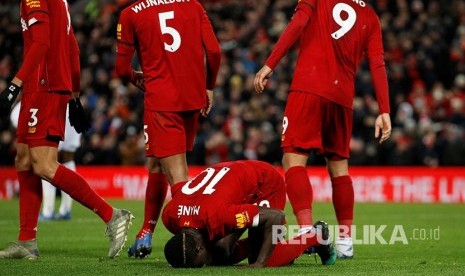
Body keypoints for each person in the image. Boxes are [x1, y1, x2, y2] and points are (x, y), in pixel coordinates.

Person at [254, 0, 392, 259]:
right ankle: (345, 241)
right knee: (339, 168)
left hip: (310, 87)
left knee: (293, 158)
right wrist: (384, 110)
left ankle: (307, 231)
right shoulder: (371, 17)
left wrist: (270, 64)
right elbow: (377, 63)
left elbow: (298, 24)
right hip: (343, 98)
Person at [0, 0, 132, 260]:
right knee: (24, 159)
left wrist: (14, 86)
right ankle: (27, 240)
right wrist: (74, 94)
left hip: (43, 85)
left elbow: (41, 43)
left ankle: (112, 215)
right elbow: (72, 47)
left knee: (44, 165)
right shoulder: (61, 2)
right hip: (48, 86)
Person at [115, 0, 221, 258]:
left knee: (178, 176)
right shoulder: (192, 5)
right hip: (192, 97)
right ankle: (146, 233)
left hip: (162, 101)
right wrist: (209, 86)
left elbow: (120, 69)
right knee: (156, 164)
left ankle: (193, 244)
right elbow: (215, 51)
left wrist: (133, 76)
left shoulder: (130, 13)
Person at [162, 160, 336, 268]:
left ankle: (317, 235)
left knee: (266, 258)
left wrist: (259, 264)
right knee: (220, 253)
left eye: (197, 264)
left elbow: (275, 216)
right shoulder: (169, 215)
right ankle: (259, 243)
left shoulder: (219, 216)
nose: (203, 266)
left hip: (264, 183)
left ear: (199, 248)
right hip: (232, 181)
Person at [10, 101, 79, 221]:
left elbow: (20, 125)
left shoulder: (22, 105)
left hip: (52, 108)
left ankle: (48, 211)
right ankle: (65, 210)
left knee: (47, 162)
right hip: (72, 105)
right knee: (68, 156)